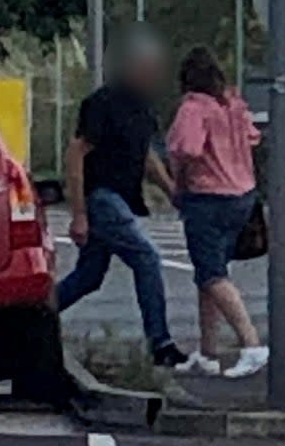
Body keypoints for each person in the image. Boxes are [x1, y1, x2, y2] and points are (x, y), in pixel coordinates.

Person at [58, 32, 188, 367]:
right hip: (102, 197)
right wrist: (79, 213)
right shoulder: (102, 103)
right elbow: (76, 153)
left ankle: (29, 320)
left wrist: (171, 190)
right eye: (148, 67)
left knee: (89, 277)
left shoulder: (143, 108)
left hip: (122, 198)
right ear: (131, 67)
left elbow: (145, 155)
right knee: (147, 258)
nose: (153, 74)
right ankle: (161, 344)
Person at [166, 46, 267, 379]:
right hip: (243, 196)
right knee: (209, 274)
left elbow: (187, 149)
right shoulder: (234, 106)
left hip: (208, 197)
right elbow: (254, 138)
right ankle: (208, 351)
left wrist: (177, 183)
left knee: (212, 274)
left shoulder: (194, 108)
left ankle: (251, 344)